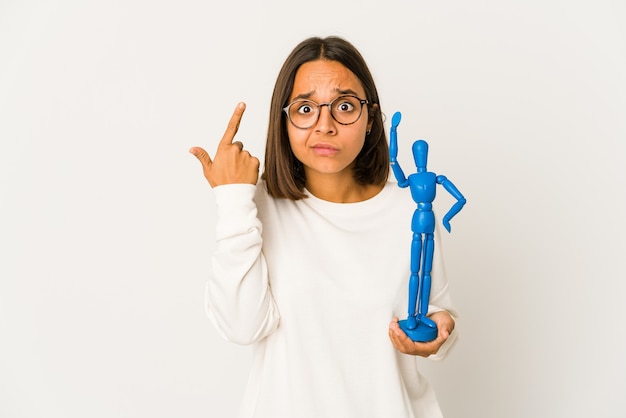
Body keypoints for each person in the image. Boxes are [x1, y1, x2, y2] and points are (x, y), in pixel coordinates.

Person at [190, 36, 458, 418]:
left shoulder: (410, 209)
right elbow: (241, 326)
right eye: (305, 109)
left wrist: (440, 333)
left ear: (370, 119)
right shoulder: (255, 207)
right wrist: (232, 199)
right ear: (284, 121)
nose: (325, 126)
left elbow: (438, 312)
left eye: (345, 106)